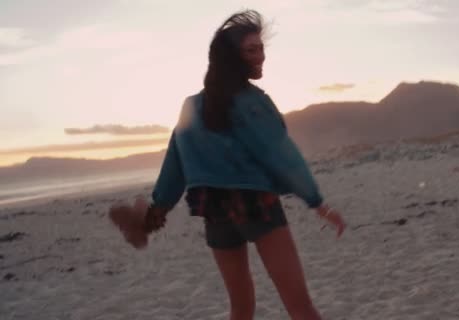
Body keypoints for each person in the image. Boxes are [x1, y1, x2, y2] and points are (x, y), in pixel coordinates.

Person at [109, 10, 346, 320]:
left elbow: (175, 167)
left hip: (215, 212)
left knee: (241, 307)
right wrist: (318, 204)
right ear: (231, 57)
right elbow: (281, 155)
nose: (261, 56)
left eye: (261, 48)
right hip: (256, 205)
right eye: (252, 49)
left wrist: (157, 210)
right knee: (300, 307)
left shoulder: (191, 106)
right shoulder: (253, 102)